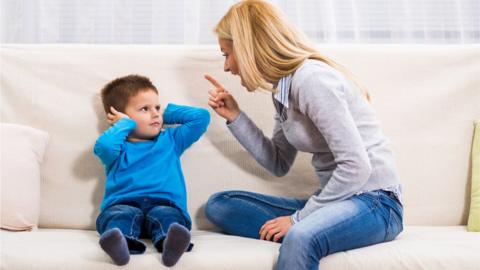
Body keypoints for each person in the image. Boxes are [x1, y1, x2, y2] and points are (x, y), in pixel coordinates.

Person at [203, 1, 403, 269]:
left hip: (375, 203)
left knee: (300, 236)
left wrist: (298, 220)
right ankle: (320, 233)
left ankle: (309, 237)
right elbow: (278, 162)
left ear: (248, 49)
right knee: (221, 205)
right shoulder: (283, 90)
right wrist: (236, 117)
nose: (226, 66)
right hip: (336, 202)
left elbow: (357, 167)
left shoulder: (311, 81)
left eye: (227, 54)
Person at [94, 74, 210, 266]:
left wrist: (166, 113)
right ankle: (120, 246)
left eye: (156, 107)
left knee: (167, 216)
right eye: (144, 109)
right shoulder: (118, 148)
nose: (155, 114)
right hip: (123, 203)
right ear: (120, 117)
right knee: (119, 216)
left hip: (165, 204)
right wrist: (124, 125)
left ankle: (170, 244)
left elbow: (201, 118)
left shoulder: (171, 140)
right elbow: (103, 146)